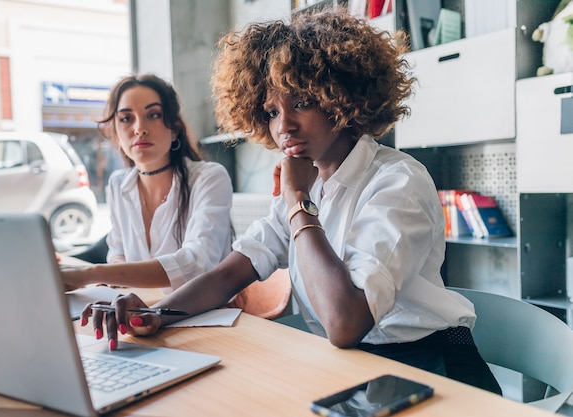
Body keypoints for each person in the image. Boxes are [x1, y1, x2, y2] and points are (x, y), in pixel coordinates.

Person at [82, 8, 501, 394]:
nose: (284, 126)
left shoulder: (396, 182)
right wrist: (158, 314)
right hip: (354, 366)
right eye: (271, 111)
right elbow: (233, 272)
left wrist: (298, 199)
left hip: (433, 371)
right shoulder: (308, 178)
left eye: (301, 102)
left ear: (344, 99)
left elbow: (345, 322)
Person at [61, 73, 233, 294]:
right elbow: (117, 247)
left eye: (153, 115)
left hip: (205, 312)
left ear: (174, 128)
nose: (139, 128)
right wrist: (115, 270)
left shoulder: (209, 178)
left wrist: (90, 274)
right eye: (126, 118)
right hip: (141, 308)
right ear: (116, 133)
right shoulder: (118, 183)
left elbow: (196, 263)